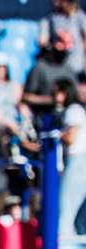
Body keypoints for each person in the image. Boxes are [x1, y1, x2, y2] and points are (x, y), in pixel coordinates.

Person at [55, 77, 86, 238]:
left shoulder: (73, 110)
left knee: (66, 211)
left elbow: (71, 138)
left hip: (77, 162)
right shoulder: (78, 110)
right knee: (81, 219)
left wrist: (56, 136)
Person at [40, 0, 86, 74]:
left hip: (77, 67)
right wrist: (54, 46)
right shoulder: (52, 18)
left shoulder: (80, 17)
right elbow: (43, 41)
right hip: (58, 67)